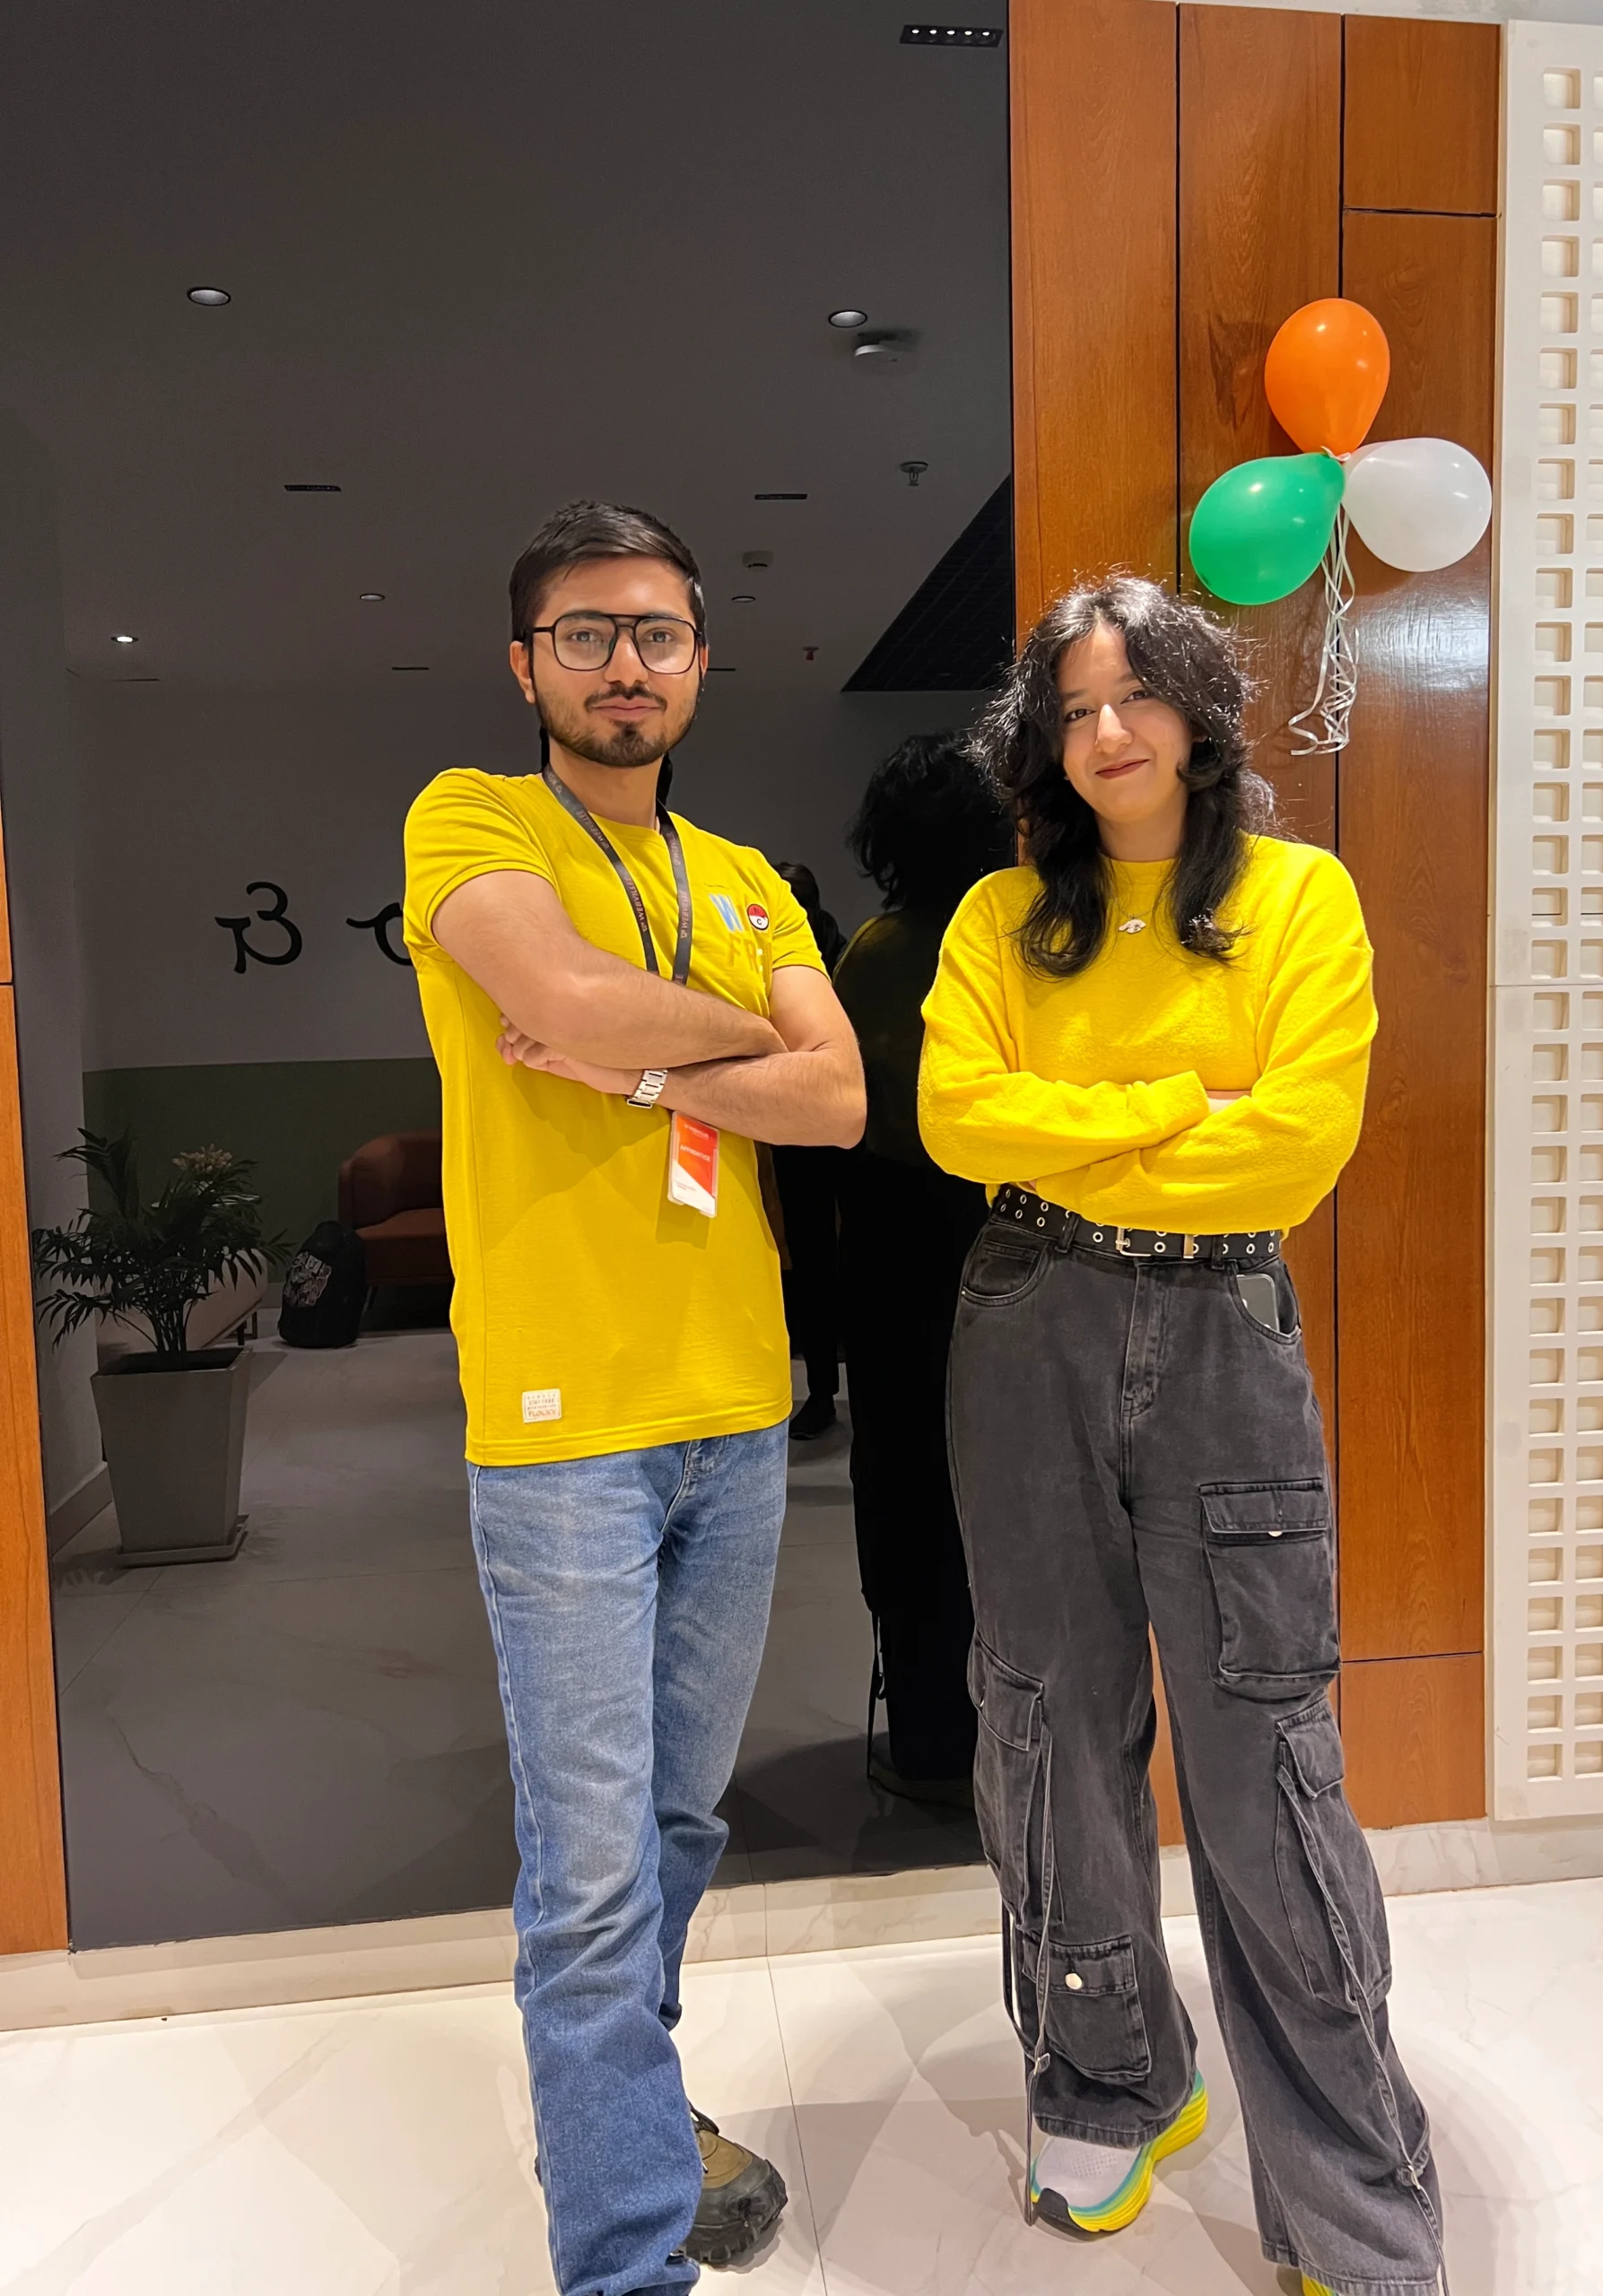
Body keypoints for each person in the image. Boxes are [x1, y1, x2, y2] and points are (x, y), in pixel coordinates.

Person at [919, 577, 1445, 2296]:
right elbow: (955, 1120)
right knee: (1043, 1721)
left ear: (1202, 710)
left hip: (1222, 1330)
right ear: (1040, 743)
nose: (1108, 733)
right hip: (1026, 1324)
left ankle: (1353, 2198)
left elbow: (1295, 1147)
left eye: (1136, 695)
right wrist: (1172, 1104)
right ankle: (1111, 2079)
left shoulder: (1299, 897)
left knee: (1262, 1746)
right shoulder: (1000, 918)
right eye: (1072, 709)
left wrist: (1071, 1127)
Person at [402, 499, 865, 2296]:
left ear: (698, 659)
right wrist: (740, 1034)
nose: (624, 665)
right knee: (591, 1863)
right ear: (525, 663)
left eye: (656, 632)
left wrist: (646, 1053)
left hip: (735, 1412)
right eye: (585, 634)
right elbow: (557, 997)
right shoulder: (473, 818)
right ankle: (623, 2259)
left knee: (678, 1825)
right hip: (564, 1429)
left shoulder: (746, 873)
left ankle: (632, 2112)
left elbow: (841, 1099)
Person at [832, 735, 1011, 1797]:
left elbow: (841, 1114)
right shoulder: (1019, 938)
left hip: (892, 1237)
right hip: (1006, 1226)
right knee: (1007, 1474)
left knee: (903, 1471)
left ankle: (931, 1736)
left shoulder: (877, 952)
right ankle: (1015, 1740)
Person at [770, 861, 846, 1439]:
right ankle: (821, 1391)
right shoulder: (773, 961)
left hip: (849, 1133)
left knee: (838, 1264)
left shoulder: (844, 959)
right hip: (797, 1133)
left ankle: (829, 1392)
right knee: (813, 1263)